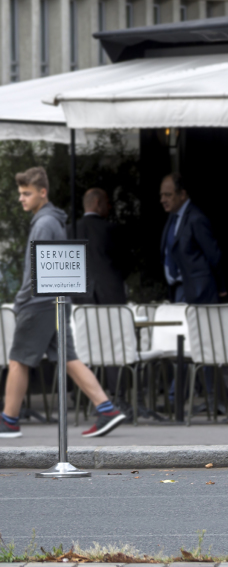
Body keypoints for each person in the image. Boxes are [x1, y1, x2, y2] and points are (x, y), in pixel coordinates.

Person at [3, 167, 127, 438]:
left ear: (42, 192)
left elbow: (36, 271)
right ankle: (106, 408)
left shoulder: (44, 223)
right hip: (54, 301)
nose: (22, 199)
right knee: (68, 357)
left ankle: (8, 420)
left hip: (39, 304)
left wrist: (20, 301)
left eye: (27, 193)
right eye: (21, 194)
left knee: (18, 359)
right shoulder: (52, 221)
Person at [159, 173, 221, 304]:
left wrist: (221, 288)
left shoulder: (196, 219)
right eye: (161, 195)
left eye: (168, 195)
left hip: (198, 294)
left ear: (182, 194)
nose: (162, 200)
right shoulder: (172, 217)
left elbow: (213, 256)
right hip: (177, 290)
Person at [73, 187, 128, 304]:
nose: (110, 207)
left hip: (79, 300)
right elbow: (125, 264)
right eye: (107, 203)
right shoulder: (113, 230)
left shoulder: (69, 231)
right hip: (111, 297)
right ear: (98, 203)